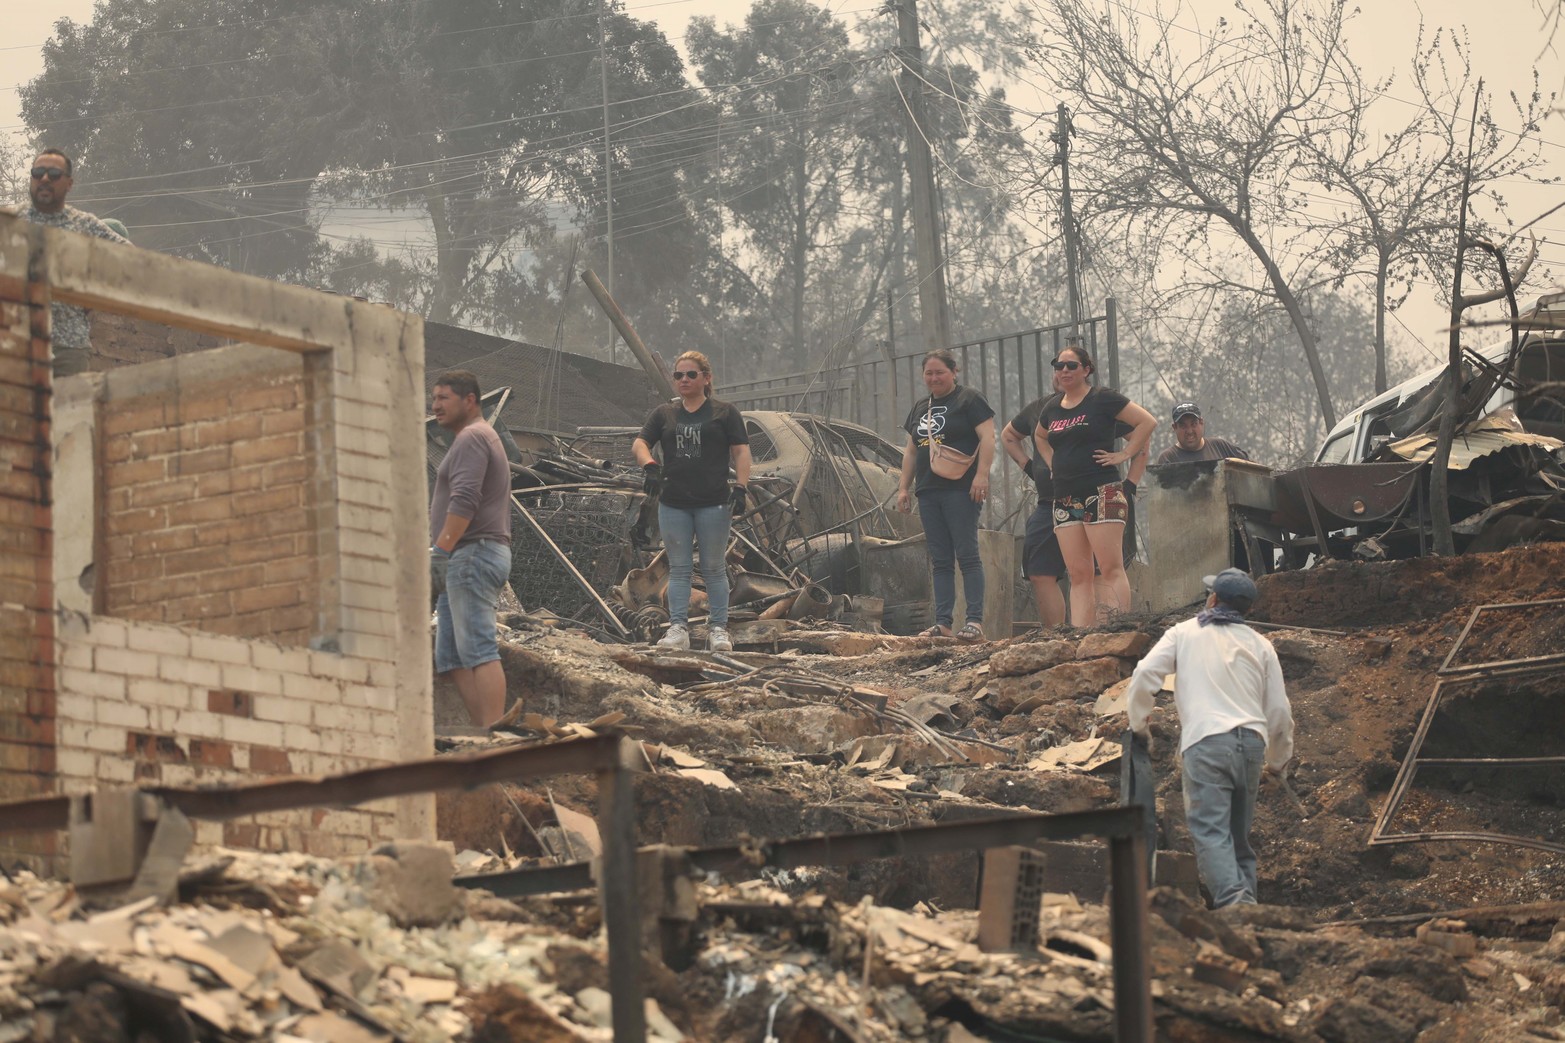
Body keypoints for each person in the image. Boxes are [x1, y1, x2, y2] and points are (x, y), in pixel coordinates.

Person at [1126, 568, 1294, 909]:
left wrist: (1139, 725)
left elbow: (1145, 673)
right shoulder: (1261, 645)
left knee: (1211, 832)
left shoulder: (1184, 633)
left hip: (1207, 743)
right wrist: (1277, 763)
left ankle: (1236, 906)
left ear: (1213, 599)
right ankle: (1250, 915)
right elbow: (1279, 711)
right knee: (1238, 837)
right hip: (1252, 745)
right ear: (1248, 609)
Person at [634, 351, 751, 653]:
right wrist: (650, 466)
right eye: (678, 375)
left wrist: (741, 487)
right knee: (680, 568)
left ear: (706, 378)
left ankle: (718, 629)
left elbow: (741, 451)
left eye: (691, 374)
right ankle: (678, 629)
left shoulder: (725, 413)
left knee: (713, 567)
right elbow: (640, 442)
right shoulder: (665, 414)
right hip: (674, 503)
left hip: (713, 503)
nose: (684, 380)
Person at [1034, 346, 1156, 626]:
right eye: (1059, 365)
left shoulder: (1102, 398)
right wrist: (1053, 463)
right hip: (1064, 497)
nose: (1064, 371)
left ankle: (1114, 630)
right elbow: (1039, 436)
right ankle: (1080, 635)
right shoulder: (1052, 408)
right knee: (1078, 574)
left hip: (1102, 491)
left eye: (1071, 365)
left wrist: (1125, 454)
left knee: (1110, 567)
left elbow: (1146, 421)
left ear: (1086, 369)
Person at [429, 371, 513, 728]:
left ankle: (495, 738)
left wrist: (440, 550)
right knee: (450, 655)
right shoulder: (473, 437)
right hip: (464, 557)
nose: (435, 406)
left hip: (472, 554)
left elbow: (465, 499)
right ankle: (482, 731)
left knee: (478, 648)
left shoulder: (472, 437)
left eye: (443, 398)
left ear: (470, 400)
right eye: (434, 398)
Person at [896, 349, 996, 641]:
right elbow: (911, 450)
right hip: (928, 491)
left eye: (940, 372)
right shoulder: (920, 406)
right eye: (929, 373)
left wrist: (982, 475)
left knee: (967, 554)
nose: (934, 378)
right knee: (940, 560)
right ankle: (942, 624)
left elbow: (988, 438)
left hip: (961, 489)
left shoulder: (969, 399)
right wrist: (903, 488)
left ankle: (974, 621)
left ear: (954, 371)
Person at [11, 149, 129, 377]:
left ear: (69, 183)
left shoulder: (84, 225)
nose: (45, 178)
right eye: (38, 173)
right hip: (16, 342)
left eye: (54, 174)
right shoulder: (10, 221)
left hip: (68, 348)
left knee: (70, 402)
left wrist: (94, 292)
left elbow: (131, 259)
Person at [1155, 402, 1250, 464]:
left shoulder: (1220, 447)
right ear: (1174, 427)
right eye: (1183, 426)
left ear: (1201, 423)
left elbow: (1250, 469)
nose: (1189, 431)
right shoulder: (1168, 459)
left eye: (1193, 424)